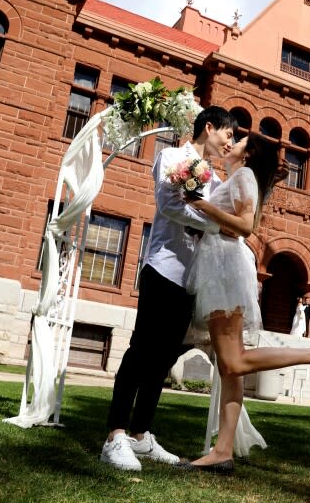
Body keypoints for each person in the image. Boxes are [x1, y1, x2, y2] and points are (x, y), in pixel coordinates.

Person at [179, 133, 310, 474]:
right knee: (229, 369)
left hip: (224, 270)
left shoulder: (244, 176)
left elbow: (246, 226)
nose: (231, 143)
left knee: (232, 363)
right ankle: (223, 452)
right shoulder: (239, 178)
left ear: (250, 154)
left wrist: (201, 205)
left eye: (240, 141)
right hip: (219, 265)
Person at [99, 106, 236, 471]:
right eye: (228, 135)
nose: (230, 143)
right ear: (210, 127)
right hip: (162, 269)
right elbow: (169, 207)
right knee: (141, 351)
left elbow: (230, 214)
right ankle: (115, 435)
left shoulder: (214, 180)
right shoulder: (173, 157)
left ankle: (141, 436)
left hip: (190, 281)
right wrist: (214, 225)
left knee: (163, 360)